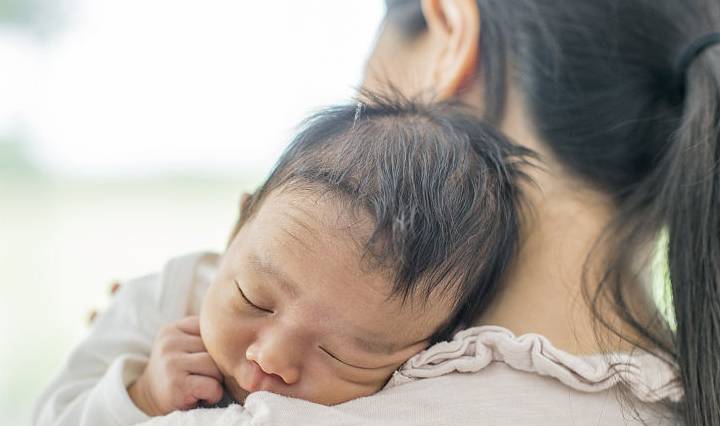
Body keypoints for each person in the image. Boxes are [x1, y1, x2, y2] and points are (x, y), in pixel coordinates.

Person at [32, 95, 532, 424]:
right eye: (253, 299)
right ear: (236, 230)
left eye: (341, 354)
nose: (269, 358)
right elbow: (47, 416)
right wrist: (139, 397)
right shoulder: (167, 294)